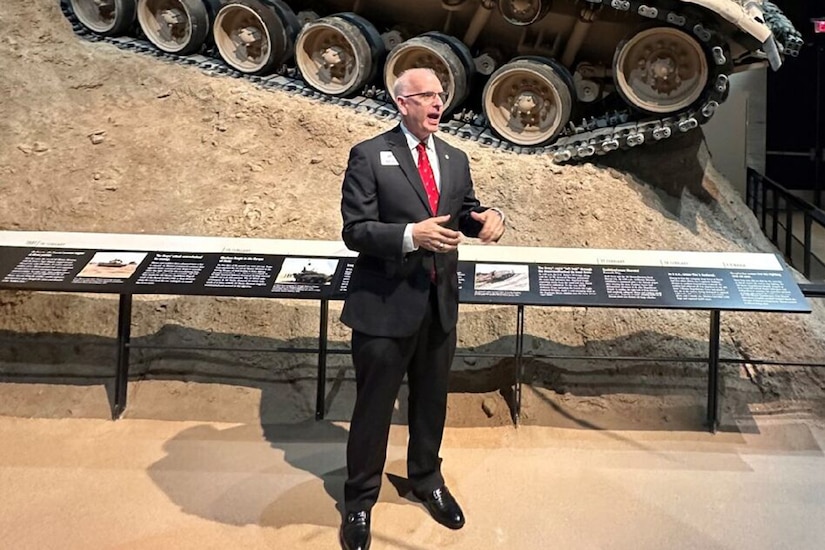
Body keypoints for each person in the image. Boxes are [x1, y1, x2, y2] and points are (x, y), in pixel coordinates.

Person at [338, 67, 505, 550]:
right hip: (385, 307)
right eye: (427, 95)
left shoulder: (454, 157)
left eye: (441, 95)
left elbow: (465, 211)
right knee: (373, 410)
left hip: (438, 304)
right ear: (402, 101)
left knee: (431, 402)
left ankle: (427, 479)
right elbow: (355, 230)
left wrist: (490, 217)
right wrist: (412, 235)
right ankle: (359, 502)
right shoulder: (370, 154)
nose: (438, 103)